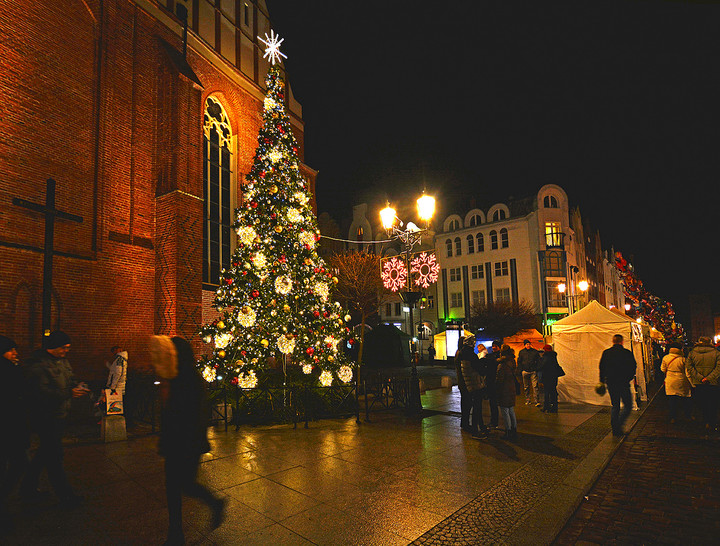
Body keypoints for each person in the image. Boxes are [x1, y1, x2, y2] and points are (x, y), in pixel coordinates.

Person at [150, 335, 225, 545]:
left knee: (184, 485)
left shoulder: (190, 379)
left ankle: (215, 503)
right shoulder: (172, 376)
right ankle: (175, 534)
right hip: (175, 443)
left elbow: (192, 415)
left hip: (186, 444)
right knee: (174, 487)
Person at [21, 331, 88, 506]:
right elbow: (40, 394)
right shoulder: (38, 366)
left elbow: (70, 378)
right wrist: (69, 393)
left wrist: (77, 386)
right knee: (54, 456)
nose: (66, 351)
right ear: (53, 347)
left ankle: (27, 489)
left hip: (59, 414)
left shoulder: (62, 361)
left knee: (45, 453)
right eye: (64, 347)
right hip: (45, 417)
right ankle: (66, 496)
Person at [0, 336, 29, 531]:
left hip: (9, 428)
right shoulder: (9, 371)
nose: (15, 353)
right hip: (9, 428)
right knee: (18, 462)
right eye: (11, 350)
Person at [598, 334, 636, 437]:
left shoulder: (606, 353)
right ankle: (619, 425)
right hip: (623, 382)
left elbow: (602, 368)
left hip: (611, 382)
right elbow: (633, 366)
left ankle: (615, 428)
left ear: (613, 341)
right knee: (628, 405)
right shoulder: (627, 353)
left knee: (615, 405)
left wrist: (602, 381)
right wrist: (629, 377)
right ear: (622, 342)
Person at [685, 336, 720, 432]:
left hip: (698, 383)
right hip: (713, 383)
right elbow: (718, 368)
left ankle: (704, 421)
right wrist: (709, 378)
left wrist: (700, 378)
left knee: (701, 403)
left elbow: (689, 367)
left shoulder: (692, 353)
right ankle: (711, 422)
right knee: (713, 403)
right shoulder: (716, 353)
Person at [458, 335, 488, 439]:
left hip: (468, 383)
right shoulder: (471, 355)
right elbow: (480, 369)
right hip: (475, 383)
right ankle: (475, 430)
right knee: (477, 407)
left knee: (473, 406)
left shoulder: (462, 353)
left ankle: (481, 427)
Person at [661, 342, 691, 423]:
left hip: (670, 380)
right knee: (684, 399)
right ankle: (687, 415)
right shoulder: (683, 359)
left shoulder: (665, 358)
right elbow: (687, 372)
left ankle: (673, 417)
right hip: (681, 379)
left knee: (672, 400)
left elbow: (663, 369)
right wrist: (691, 383)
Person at [496, 344, 518, 439]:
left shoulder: (502, 365)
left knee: (505, 410)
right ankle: (514, 429)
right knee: (511, 409)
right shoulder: (512, 361)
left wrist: (496, 388)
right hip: (511, 387)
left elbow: (499, 379)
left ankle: (508, 431)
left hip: (504, 389)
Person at [482, 340, 502, 429]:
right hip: (491, 381)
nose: (494, 347)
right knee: (492, 403)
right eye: (493, 346)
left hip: (494, 382)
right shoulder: (491, 356)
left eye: (496, 346)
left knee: (494, 403)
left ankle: (494, 422)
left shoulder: (499, 357)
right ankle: (494, 422)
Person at [517, 339, 541, 407]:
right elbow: (519, 361)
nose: (528, 345)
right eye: (526, 344)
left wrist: (536, 368)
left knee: (535, 386)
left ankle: (537, 401)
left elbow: (538, 360)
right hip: (525, 371)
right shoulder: (521, 352)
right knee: (526, 387)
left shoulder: (535, 352)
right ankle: (528, 399)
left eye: (529, 344)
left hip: (533, 370)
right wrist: (521, 369)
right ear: (524, 345)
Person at [538, 344, 561, 413]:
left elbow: (541, 367)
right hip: (554, 377)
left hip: (547, 377)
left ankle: (546, 407)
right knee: (553, 392)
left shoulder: (545, 357)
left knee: (547, 393)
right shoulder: (554, 356)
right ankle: (554, 407)